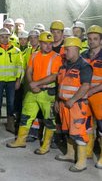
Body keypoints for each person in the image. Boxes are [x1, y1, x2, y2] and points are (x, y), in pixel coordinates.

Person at [7, 31, 62, 151]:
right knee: (25, 116)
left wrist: (35, 83)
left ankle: (45, 146)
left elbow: (54, 76)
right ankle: (20, 140)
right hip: (33, 92)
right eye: (45, 43)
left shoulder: (56, 57)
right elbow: (28, 71)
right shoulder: (34, 55)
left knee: (49, 120)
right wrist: (32, 84)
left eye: (50, 43)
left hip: (48, 93)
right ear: (40, 43)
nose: (48, 46)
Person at [54, 37, 93, 172]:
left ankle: (82, 162)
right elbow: (60, 84)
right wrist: (58, 100)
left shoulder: (84, 66)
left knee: (78, 132)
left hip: (77, 105)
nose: (65, 52)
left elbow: (85, 86)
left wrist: (73, 100)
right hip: (65, 105)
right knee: (68, 131)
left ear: (76, 49)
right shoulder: (64, 65)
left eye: (68, 49)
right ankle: (70, 154)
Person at [0, 28, 23, 133]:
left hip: (11, 81)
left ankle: (10, 124)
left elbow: (19, 66)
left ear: (10, 37)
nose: (5, 39)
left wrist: (18, 80)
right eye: (2, 37)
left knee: (11, 103)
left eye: (6, 37)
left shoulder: (16, 51)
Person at [82, 25, 102, 168]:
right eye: (89, 39)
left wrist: (93, 90)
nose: (92, 41)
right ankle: (88, 151)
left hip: (100, 96)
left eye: (95, 39)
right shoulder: (83, 55)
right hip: (86, 96)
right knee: (87, 125)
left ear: (101, 40)